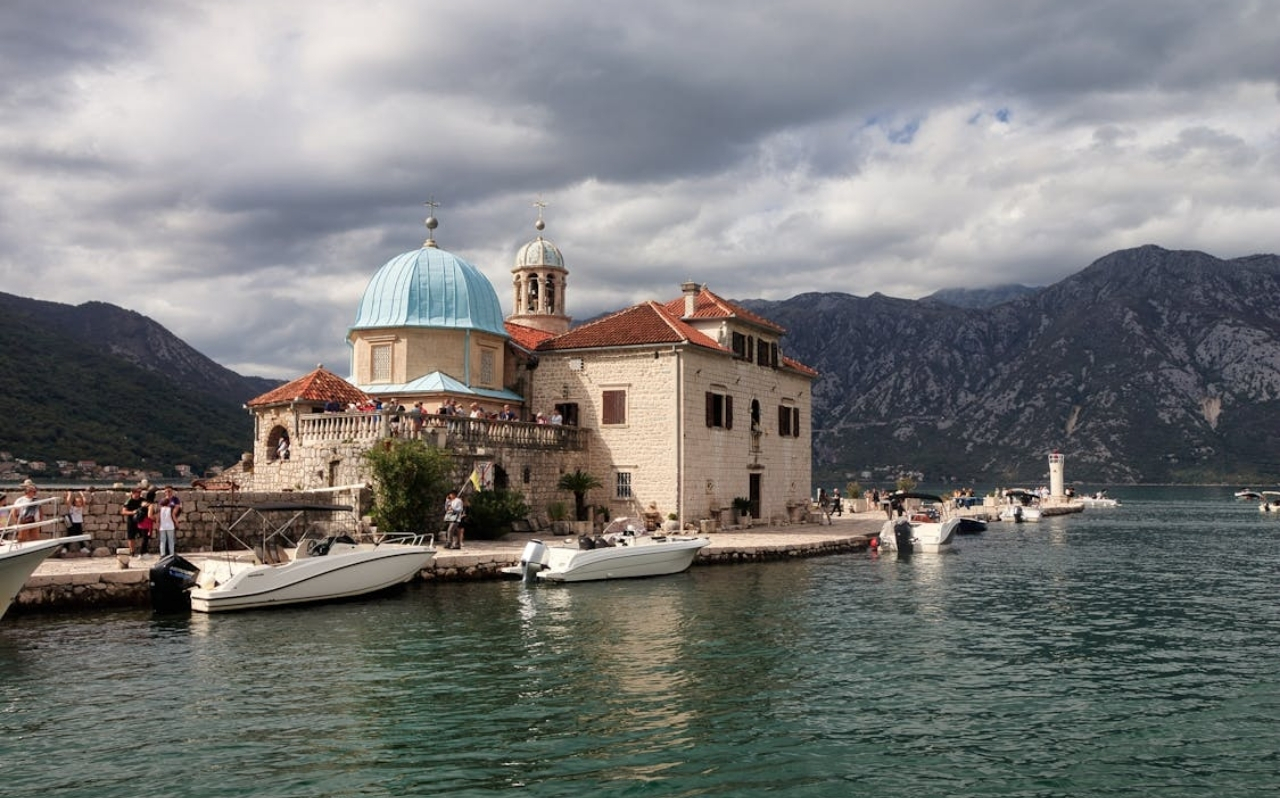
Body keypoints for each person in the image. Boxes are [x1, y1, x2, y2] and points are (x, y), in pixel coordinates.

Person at [156, 486, 182, 558]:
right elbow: (173, 515)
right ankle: (171, 553)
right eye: (166, 491)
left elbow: (158, 516)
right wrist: (177, 523)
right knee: (170, 540)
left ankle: (163, 554)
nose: (168, 493)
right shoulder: (169, 508)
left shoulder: (175, 500)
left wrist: (157, 523)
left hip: (163, 526)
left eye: (169, 491)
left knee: (163, 540)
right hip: (170, 525)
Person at [121, 487, 146, 557]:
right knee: (131, 537)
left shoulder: (142, 500)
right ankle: (132, 551)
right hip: (131, 521)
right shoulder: (129, 501)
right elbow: (123, 511)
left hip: (141, 520)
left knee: (144, 535)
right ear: (132, 493)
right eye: (136, 493)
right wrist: (133, 512)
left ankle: (143, 551)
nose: (138, 495)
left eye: (139, 493)